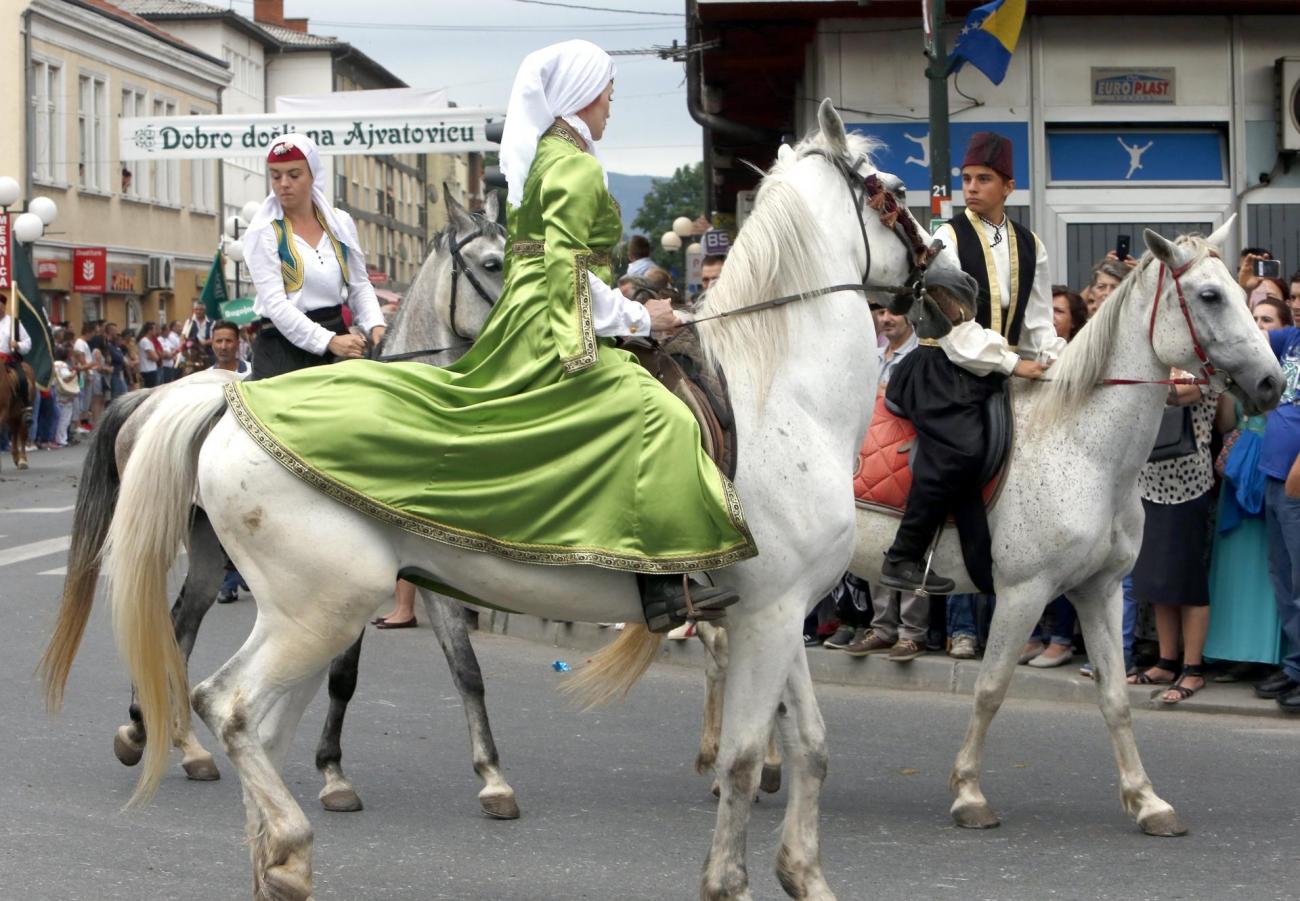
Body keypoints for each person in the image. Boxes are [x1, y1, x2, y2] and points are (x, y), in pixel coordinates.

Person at [224, 40, 755, 633]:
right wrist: (639, 318)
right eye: (608, 92)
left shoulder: (545, 158)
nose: (612, 105)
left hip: (523, 318)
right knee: (657, 415)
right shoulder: (574, 164)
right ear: (582, 94)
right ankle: (660, 583)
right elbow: (564, 272)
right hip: (548, 323)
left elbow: (549, 265)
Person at [878, 131, 1063, 595]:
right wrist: (1010, 363)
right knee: (959, 448)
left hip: (995, 373)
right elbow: (948, 323)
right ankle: (903, 555)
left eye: (984, 178)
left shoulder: (1030, 244)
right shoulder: (948, 235)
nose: (973, 187)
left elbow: (1038, 320)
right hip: (943, 368)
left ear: (1008, 187)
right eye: (967, 178)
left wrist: (1054, 360)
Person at [243, 134, 386, 380]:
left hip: (340, 337)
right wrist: (328, 341)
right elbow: (276, 305)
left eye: (294, 175)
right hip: (282, 347)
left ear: (313, 176)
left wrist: (377, 325)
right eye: (276, 176)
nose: (283, 183)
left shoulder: (339, 223)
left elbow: (359, 285)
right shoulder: (264, 231)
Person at [1203, 298, 1289, 675]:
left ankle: (1268, 656)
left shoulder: (1281, 371)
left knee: (1271, 572)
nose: (1258, 325)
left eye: (1267, 319)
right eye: (1253, 318)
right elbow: (1223, 426)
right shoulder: (1239, 373)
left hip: (1271, 472)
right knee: (1233, 568)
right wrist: (1224, 389)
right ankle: (1232, 651)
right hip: (1238, 476)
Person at [1125, 372, 1218, 704]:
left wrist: (1134, 384)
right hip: (1149, 480)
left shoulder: (1207, 361)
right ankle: (1166, 661)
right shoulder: (1159, 360)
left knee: (1189, 583)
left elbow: (1180, 395)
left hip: (1189, 482)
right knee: (1158, 581)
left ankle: (1193, 669)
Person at [846, 307, 929, 661]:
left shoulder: (922, 354)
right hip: (871, 454)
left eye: (895, 312)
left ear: (911, 317)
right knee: (873, 536)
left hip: (906, 453)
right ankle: (882, 627)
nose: (886, 318)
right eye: (881, 311)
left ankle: (912, 633)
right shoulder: (873, 356)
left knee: (909, 539)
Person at [1254, 312, 1300, 712]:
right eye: (1298, 298)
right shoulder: (1292, 340)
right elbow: (1251, 334)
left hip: (1296, 482)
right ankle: (1295, 667)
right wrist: (1248, 283)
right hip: (1275, 476)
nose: (1299, 306)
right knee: (1284, 582)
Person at [0, 294, 34, 423]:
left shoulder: (14, 323)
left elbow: (28, 342)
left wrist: (17, 345)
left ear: (4, 307)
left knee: (22, 378)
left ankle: (26, 408)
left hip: (8, 360)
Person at [185, 301, 214, 366]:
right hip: (193, 354)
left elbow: (214, 339)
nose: (198, 311)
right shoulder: (189, 322)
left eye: (201, 309)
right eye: (196, 309)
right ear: (193, 310)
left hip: (208, 353)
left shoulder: (212, 322)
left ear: (204, 310)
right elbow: (183, 336)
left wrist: (201, 343)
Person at [137, 321, 163, 388]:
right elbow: (154, 357)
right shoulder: (145, 341)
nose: (156, 331)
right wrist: (156, 356)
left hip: (152, 369)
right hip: (147, 370)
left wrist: (155, 355)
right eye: (154, 329)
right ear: (149, 331)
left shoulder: (149, 341)